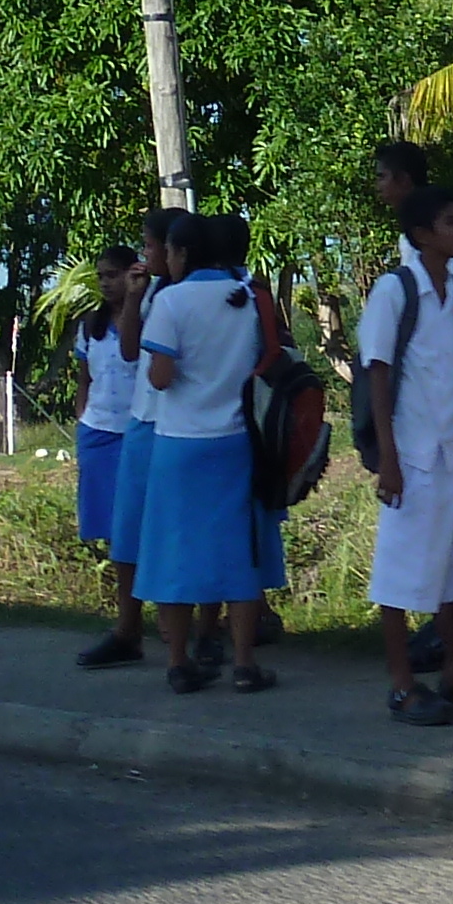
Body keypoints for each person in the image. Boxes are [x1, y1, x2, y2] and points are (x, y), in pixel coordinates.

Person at [361, 184, 453, 724]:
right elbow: (378, 373)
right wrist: (389, 457)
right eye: (451, 221)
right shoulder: (395, 292)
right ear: (423, 234)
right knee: (402, 570)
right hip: (415, 451)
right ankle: (402, 684)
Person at [131, 210, 282, 692]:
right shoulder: (246, 298)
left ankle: (179, 661)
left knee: (173, 553)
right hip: (235, 440)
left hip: (179, 442)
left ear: (181, 253)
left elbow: (160, 376)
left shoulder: (172, 302)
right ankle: (243, 663)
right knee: (236, 555)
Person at [100, 210, 185, 648]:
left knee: (175, 532)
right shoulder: (151, 293)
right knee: (128, 529)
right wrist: (133, 300)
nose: (145, 254)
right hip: (142, 419)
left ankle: (192, 634)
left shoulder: (189, 295)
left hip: (177, 425)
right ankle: (127, 626)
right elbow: (129, 350)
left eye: (150, 246)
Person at [69, 245, 148, 669]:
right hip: (99, 431)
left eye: (113, 274)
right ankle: (127, 624)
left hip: (137, 431)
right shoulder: (91, 325)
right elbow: (85, 377)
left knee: (140, 530)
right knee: (115, 535)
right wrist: (83, 419)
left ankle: (152, 622)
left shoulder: (149, 314)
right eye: (101, 276)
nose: (106, 282)